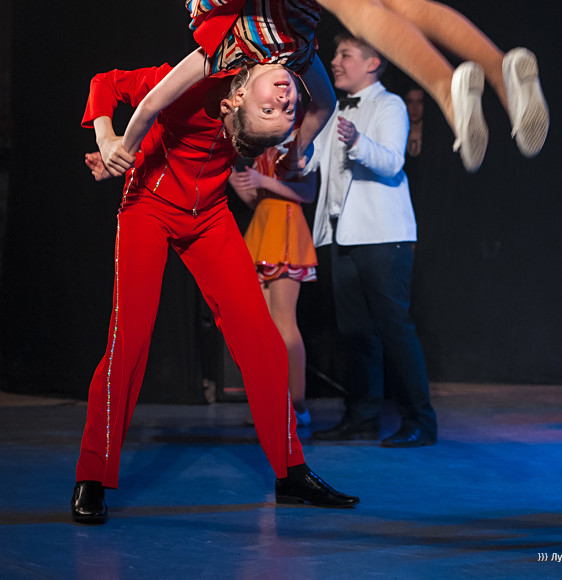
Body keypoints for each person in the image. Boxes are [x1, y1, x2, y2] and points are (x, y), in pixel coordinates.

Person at [71, 53, 364, 522]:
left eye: (284, 110)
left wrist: (296, 144)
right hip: (148, 206)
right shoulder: (187, 79)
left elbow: (317, 106)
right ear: (235, 99)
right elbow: (104, 82)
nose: (285, 100)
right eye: (275, 108)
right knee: (129, 342)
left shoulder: (257, 89)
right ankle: (93, 475)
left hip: (208, 216)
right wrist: (108, 140)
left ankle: (291, 471)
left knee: (263, 340)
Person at [132, 0, 549, 177]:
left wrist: (122, 144)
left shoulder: (225, 52)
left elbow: (152, 102)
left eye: (268, 110)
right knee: (408, 6)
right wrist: (296, 150)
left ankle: (447, 91)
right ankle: (502, 73)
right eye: (285, 115)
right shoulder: (300, 60)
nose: (284, 103)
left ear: (237, 97)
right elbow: (324, 105)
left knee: (359, 14)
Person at [308, 33, 437, 447]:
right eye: (336, 54)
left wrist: (357, 142)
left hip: (383, 237)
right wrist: (291, 147)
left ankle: (420, 420)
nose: (335, 61)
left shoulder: (389, 105)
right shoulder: (333, 110)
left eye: (345, 54)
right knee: (355, 332)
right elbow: (311, 162)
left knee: (394, 329)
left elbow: (392, 161)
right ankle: (361, 417)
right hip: (342, 236)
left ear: (372, 63)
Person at [228, 142, 317, 425]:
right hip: (263, 226)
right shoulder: (264, 150)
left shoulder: (299, 145)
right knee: (264, 327)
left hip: (285, 227)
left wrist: (263, 181)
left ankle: (298, 405)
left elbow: (308, 192)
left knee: (284, 321)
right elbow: (257, 199)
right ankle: (274, 405)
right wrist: (233, 178)